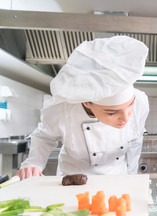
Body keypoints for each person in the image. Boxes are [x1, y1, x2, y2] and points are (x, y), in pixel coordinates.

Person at [17, 36, 149, 180]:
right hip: (73, 179)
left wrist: (132, 176)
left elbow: (136, 140)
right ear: (86, 102)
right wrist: (33, 163)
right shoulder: (61, 109)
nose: (126, 117)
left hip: (117, 177)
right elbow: (44, 137)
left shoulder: (141, 101)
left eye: (130, 105)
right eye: (112, 112)